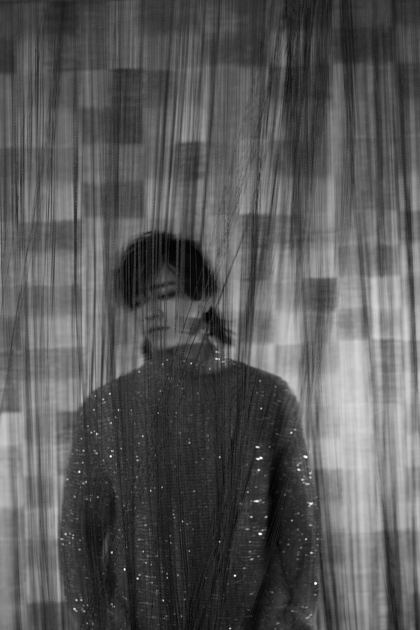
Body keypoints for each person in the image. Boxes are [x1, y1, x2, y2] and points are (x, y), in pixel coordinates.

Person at [59, 231, 319, 629]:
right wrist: (97, 622)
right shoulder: (106, 410)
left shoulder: (266, 399)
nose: (151, 312)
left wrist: (281, 619)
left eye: (165, 294)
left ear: (205, 297)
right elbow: (80, 536)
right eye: (140, 301)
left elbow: (296, 527)